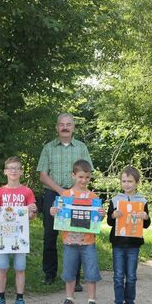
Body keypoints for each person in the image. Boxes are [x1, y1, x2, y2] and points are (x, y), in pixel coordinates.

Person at [37, 113, 92, 287]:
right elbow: (43, 175)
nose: (65, 127)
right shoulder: (48, 148)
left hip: (77, 196)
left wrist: (72, 192)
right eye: (62, 124)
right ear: (57, 127)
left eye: (69, 124)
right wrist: (62, 191)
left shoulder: (82, 148)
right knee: (49, 236)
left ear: (73, 127)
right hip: (53, 195)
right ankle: (49, 274)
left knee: (77, 235)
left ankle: (74, 278)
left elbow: (87, 172)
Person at [50, 159, 105, 304]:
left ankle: (92, 302)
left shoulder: (93, 196)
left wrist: (101, 215)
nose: (84, 180)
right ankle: (69, 300)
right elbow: (57, 214)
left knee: (91, 272)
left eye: (87, 177)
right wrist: (53, 211)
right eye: (81, 177)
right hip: (69, 241)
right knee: (69, 271)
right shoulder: (65, 196)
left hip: (88, 242)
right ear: (73, 175)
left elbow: (97, 219)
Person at [0, 156, 37, 304]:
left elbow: (32, 214)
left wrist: (32, 211)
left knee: (20, 268)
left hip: (20, 236)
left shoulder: (27, 191)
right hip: (2, 236)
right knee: (2, 267)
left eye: (17, 168)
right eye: (11, 168)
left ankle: (20, 300)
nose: (14, 171)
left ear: (21, 172)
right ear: (5, 172)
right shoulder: (0, 191)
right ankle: (0, 298)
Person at [107, 166, 151, 304]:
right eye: (124, 181)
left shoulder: (142, 201)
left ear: (137, 182)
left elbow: (146, 224)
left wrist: (145, 216)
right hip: (118, 243)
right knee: (118, 275)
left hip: (134, 245)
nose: (127, 184)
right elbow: (109, 222)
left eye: (130, 181)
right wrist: (113, 214)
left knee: (131, 276)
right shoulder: (115, 200)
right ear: (120, 182)